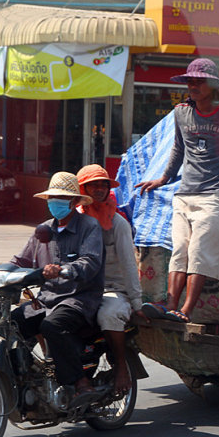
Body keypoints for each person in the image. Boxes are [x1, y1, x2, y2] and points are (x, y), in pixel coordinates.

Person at [135, 58, 219, 322]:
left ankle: (185, 311)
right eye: (190, 81)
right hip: (184, 195)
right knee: (180, 252)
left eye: (199, 81)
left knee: (200, 254)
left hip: (216, 197)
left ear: (213, 85)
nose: (193, 85)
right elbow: (178, 149)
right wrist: (163, 178)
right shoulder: (181, 112)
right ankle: (169, 306)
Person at [11, 172, 105, 404]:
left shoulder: (89, 226)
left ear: (73, 202)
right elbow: (20, 261)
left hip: (79, 299)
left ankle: (80, 382)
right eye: (52, 197)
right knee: (13, 323)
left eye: (61, 198)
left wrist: (63, 269)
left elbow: (90, 262)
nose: (56, 202)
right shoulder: (44, 229)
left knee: (51, 325)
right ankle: (27, 377)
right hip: (46, 299)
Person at [76, 164, 145, 396]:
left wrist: (137, 303)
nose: (98, 189)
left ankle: (121, 366)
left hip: (113, 290)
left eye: (103, 185)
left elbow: (129, 264)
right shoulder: (75, 219)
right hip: (81, 290)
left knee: (109, 314)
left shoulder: (118, 224)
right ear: (82, 189)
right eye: (93, 185)